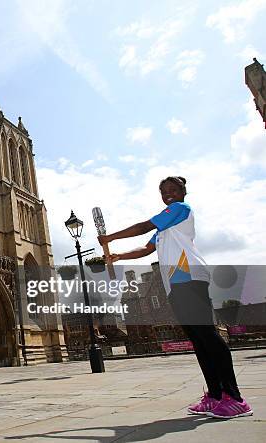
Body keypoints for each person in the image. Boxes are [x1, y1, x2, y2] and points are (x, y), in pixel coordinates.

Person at [97, 176, 253, 419]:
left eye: (172, 189)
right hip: (175, 283)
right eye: (164, 191)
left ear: (183, 192)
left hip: (190, 275)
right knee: (197, 339)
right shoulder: (164, 229)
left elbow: (144, 226)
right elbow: (146, 249)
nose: (168, 194)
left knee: (207, 334)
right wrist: (118, 255)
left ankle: (234, 398)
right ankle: (214, 396)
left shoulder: (179, 210)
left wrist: (110, 237)